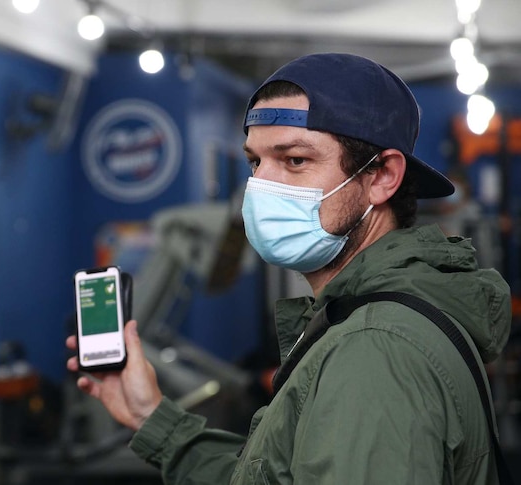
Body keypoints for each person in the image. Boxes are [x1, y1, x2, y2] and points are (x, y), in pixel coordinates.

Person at [67, 53, 511, 484]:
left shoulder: (374, 351)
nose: (262, 186)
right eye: (255, 162)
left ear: (381, 177)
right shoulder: (365, 320)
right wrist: (152, 416)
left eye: (295, 160)